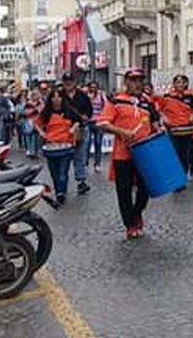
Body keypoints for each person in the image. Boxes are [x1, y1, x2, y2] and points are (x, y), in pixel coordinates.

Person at [95, 69, 159, 239]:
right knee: (124, 191)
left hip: (144, 152)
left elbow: (156, 123)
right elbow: (102, 123)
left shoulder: (148, 103)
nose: (137, 84)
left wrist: (159, 131)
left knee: (146, 188)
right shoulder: (116, 102)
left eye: (140, 80)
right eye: (133, 80)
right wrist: (121, 131)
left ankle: (137, 212)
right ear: (126, 82)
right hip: (123, 154)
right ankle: (130, 224)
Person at [36, 90, 82, 207]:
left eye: (59, 97)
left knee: (63, 171)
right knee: (54, 172)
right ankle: (58, 190)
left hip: (66, 145)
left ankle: (61, 192)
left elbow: (79, 120)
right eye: (54, 97)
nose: (56, 99)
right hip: (51, 146)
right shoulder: (46, 112)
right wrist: (42, 132)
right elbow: (36, 123)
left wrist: (73, 128)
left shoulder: (68, 110)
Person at [158, 74, 193, 186]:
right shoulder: (167, 96)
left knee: (185, 155)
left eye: (182, 82)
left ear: (186, 84)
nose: (180, 84)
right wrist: (165, 118)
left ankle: (182, 176)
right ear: (173, 84)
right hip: (173, 130)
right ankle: (176, 178)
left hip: (188, 130)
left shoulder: (192, 96)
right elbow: (158, 108)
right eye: (177, 82)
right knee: (175, 154)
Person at [58, 73, 93, 195]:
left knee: (80, 156)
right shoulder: (58, 95)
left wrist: (86, 117)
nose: (68, 83)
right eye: (66, 80)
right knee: (63, 157)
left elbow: (89, 111)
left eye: (70, 80)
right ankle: (62, 183)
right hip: (64, 130)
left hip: (81, 129)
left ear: (74, 82)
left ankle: (81, 181)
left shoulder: (82, 95)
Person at [86, 81, 108, 173]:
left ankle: (97, 164)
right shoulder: (86, 96)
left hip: (98, 122)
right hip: (88, 122)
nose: (93, 89)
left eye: (95, 87)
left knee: (98, 143)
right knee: (86, 143)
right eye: (91, 87)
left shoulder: (101, 96)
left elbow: (106, 106)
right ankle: (85, 163)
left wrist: (103, 117)